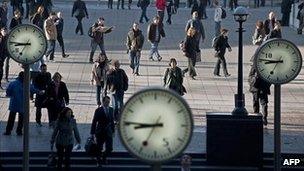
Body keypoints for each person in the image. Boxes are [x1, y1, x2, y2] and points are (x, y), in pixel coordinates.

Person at [90, 96, 115, 166]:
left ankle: (104, 156)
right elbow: (94, 121)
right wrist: (92, 132)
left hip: (108, 131)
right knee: (99, 147)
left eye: (108, 102)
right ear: (103, 102)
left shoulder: (111, 109)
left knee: (110, 148)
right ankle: (98, 161)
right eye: (106, 102)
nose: (107, 103)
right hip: (100, 131)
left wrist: (113, 131)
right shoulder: (98, 110)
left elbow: (112, 121)